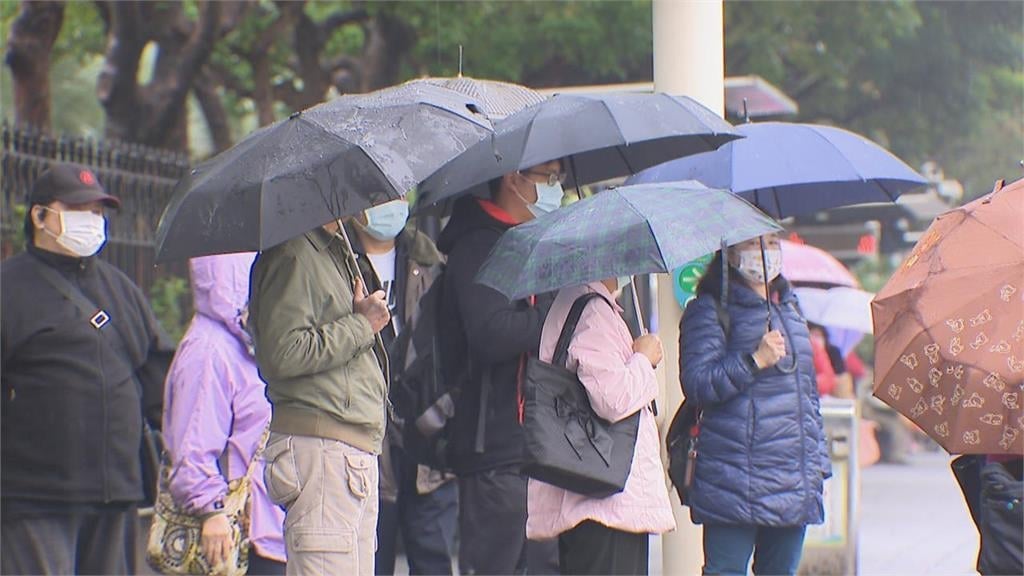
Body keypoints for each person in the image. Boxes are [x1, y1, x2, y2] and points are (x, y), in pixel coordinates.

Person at [1, 162, 173, 574]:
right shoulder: (9, 289)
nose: (92, 221)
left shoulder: (120, 290)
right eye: (79, 209)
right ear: (40, 217)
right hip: (34, 499)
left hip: (115, 493)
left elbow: (159, 381)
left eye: (98, 212)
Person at [437, 160, 565, 575]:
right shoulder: (477, 247)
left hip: (544, 448)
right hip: (495, 450)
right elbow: (491, 333)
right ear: (514, 179)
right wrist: (553, 314)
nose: (555, 189)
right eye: (549, 177)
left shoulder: (534, 243)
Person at [679, 234, 830, 576]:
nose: (765, 251)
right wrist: (753, 360)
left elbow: (807, 396)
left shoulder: (790, 309)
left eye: (773, 240)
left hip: (792, 478)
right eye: (753, 242)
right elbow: (699, 384)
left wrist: (818, 464)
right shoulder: (708, 310)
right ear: (729, 253)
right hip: (733, 478)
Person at [249, 216, 391, 575]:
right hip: (323, 446)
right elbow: (283, 352)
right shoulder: (294, 253)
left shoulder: (335, 250)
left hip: (348, 448)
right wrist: (362, 325)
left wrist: (360, 319)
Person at [528, 278, 676, 575]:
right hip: (606, 500)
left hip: (595, 495)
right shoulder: (593, 313)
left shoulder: (579, 305)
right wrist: (644, 360)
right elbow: (612, 399)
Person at [342, 201, 458, 575]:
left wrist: (446, 409)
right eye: (375, 196)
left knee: (433, 561)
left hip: (428, 436)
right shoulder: (340, 262)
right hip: (366, 447)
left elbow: (454, 343)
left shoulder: (429, 258)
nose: (389, 204)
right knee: (371, 562)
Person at [161, 253, 286, 574]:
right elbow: (193, 442)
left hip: (267, 529)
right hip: (234, 534)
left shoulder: (248, 341)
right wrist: (211, 511)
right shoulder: (210, 348)